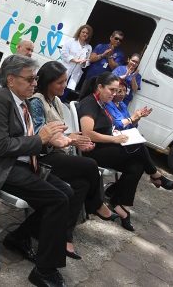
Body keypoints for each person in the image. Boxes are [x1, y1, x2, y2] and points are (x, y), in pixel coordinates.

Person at [0, 54, 72, 287]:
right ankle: (44, 270)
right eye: (30, 79)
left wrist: (51, 139)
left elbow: (30, 139)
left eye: (36, 79)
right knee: (57, 200)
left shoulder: (23, 101)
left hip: (25, 163)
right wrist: (41, 139)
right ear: (11, 79)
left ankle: (19, 237)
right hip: (3, 167)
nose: (35, 84)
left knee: (67, 193)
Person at [29, 61, 118, 260]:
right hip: (44, 157)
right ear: (49, 83)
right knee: (91, 165)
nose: (64, 86)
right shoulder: (37, 101)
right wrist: (70, 140)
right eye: (60, 83)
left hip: (59, 153)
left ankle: (65, 236)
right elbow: (39, 136)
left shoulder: (57, 101)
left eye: (64, 81)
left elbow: (63, 131)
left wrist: (77, 140)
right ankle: (96, 204)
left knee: (82, 184)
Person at [77, 72, 173, 232]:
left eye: (117, 90)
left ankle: (119, 205)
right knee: (138, 146)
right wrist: (114, 139)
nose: (115, 94)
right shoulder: (90, 103)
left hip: (106, 147)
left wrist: (115, 135)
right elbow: (88, 134)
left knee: (137, 164)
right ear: (100, 87)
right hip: (92, 151)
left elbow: (107, 128)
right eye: (111, 90)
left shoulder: (103, 104)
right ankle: (156, 175)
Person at [60, 24, 93, 100]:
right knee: (59, 86)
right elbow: (64, 53)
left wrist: (84, 63)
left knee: (67, 90)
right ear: (79, 32)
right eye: (83, 32)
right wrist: (74, 60)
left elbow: (87, 61)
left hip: (76, 73)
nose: (85, 34)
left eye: (87, 33)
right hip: (65, 69)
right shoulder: (71, 41)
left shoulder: (88, 47)